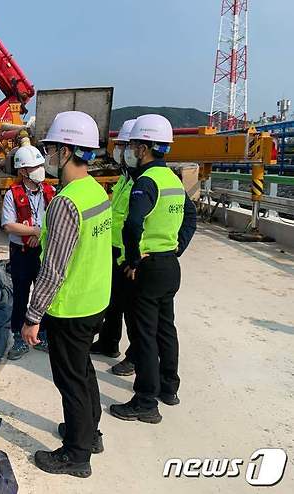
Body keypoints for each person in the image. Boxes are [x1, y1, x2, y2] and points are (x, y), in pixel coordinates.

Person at [21, 111, 111, 478]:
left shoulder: (65, 202)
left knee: (70, 380)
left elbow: (54, 267)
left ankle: (76, 455)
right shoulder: (96, 192)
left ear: (66, 150)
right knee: (83, 372)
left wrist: (33, 315)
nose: (49, 156)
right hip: (95, 301)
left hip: (70, 305)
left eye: (52, 148)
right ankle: (90, 433)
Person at [109, 114, 197, 424]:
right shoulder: (172, 179)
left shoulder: (145, 181)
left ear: (145, 147)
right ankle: (169, 387)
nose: (130, 150)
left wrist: (132, 260)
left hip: (146, 267)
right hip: (169, 265)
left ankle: (146, 400)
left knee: (143, 335)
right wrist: (177, 247)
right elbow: (191, 215)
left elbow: (133, 225)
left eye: (133, 145)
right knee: (165, 328)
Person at [90, 119, 137, 375]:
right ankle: (109, 342)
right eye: (119, 146)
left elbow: (188, 216)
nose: (120, 151)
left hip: (131, 255)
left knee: (133, 310)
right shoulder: (125, 178)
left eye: (124, 146)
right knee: (113, 302)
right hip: (115, 249)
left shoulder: (144, 182)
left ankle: (134, 356)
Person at [2, 145, 56, 360]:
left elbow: (53, 221)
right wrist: (35, 231)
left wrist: (38, 235)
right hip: (21, 253)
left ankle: (42, 333)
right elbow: (9, 225)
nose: (39, 170)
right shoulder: (12, 194)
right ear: (23, 171)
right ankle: (18, 337)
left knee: (44, 293)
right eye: (34, 167)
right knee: (21, 295)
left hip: (42, 251)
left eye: (40, 166)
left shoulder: (50, 192)